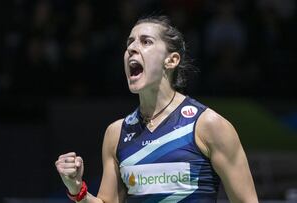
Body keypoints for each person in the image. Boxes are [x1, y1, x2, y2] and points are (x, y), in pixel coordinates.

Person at [55, 15, 258, 203]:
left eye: (146, 41)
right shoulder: (116, 133)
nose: (132, 48)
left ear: (171, 60)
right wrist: (76, 188)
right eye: (129, 43)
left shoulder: (208, 125)